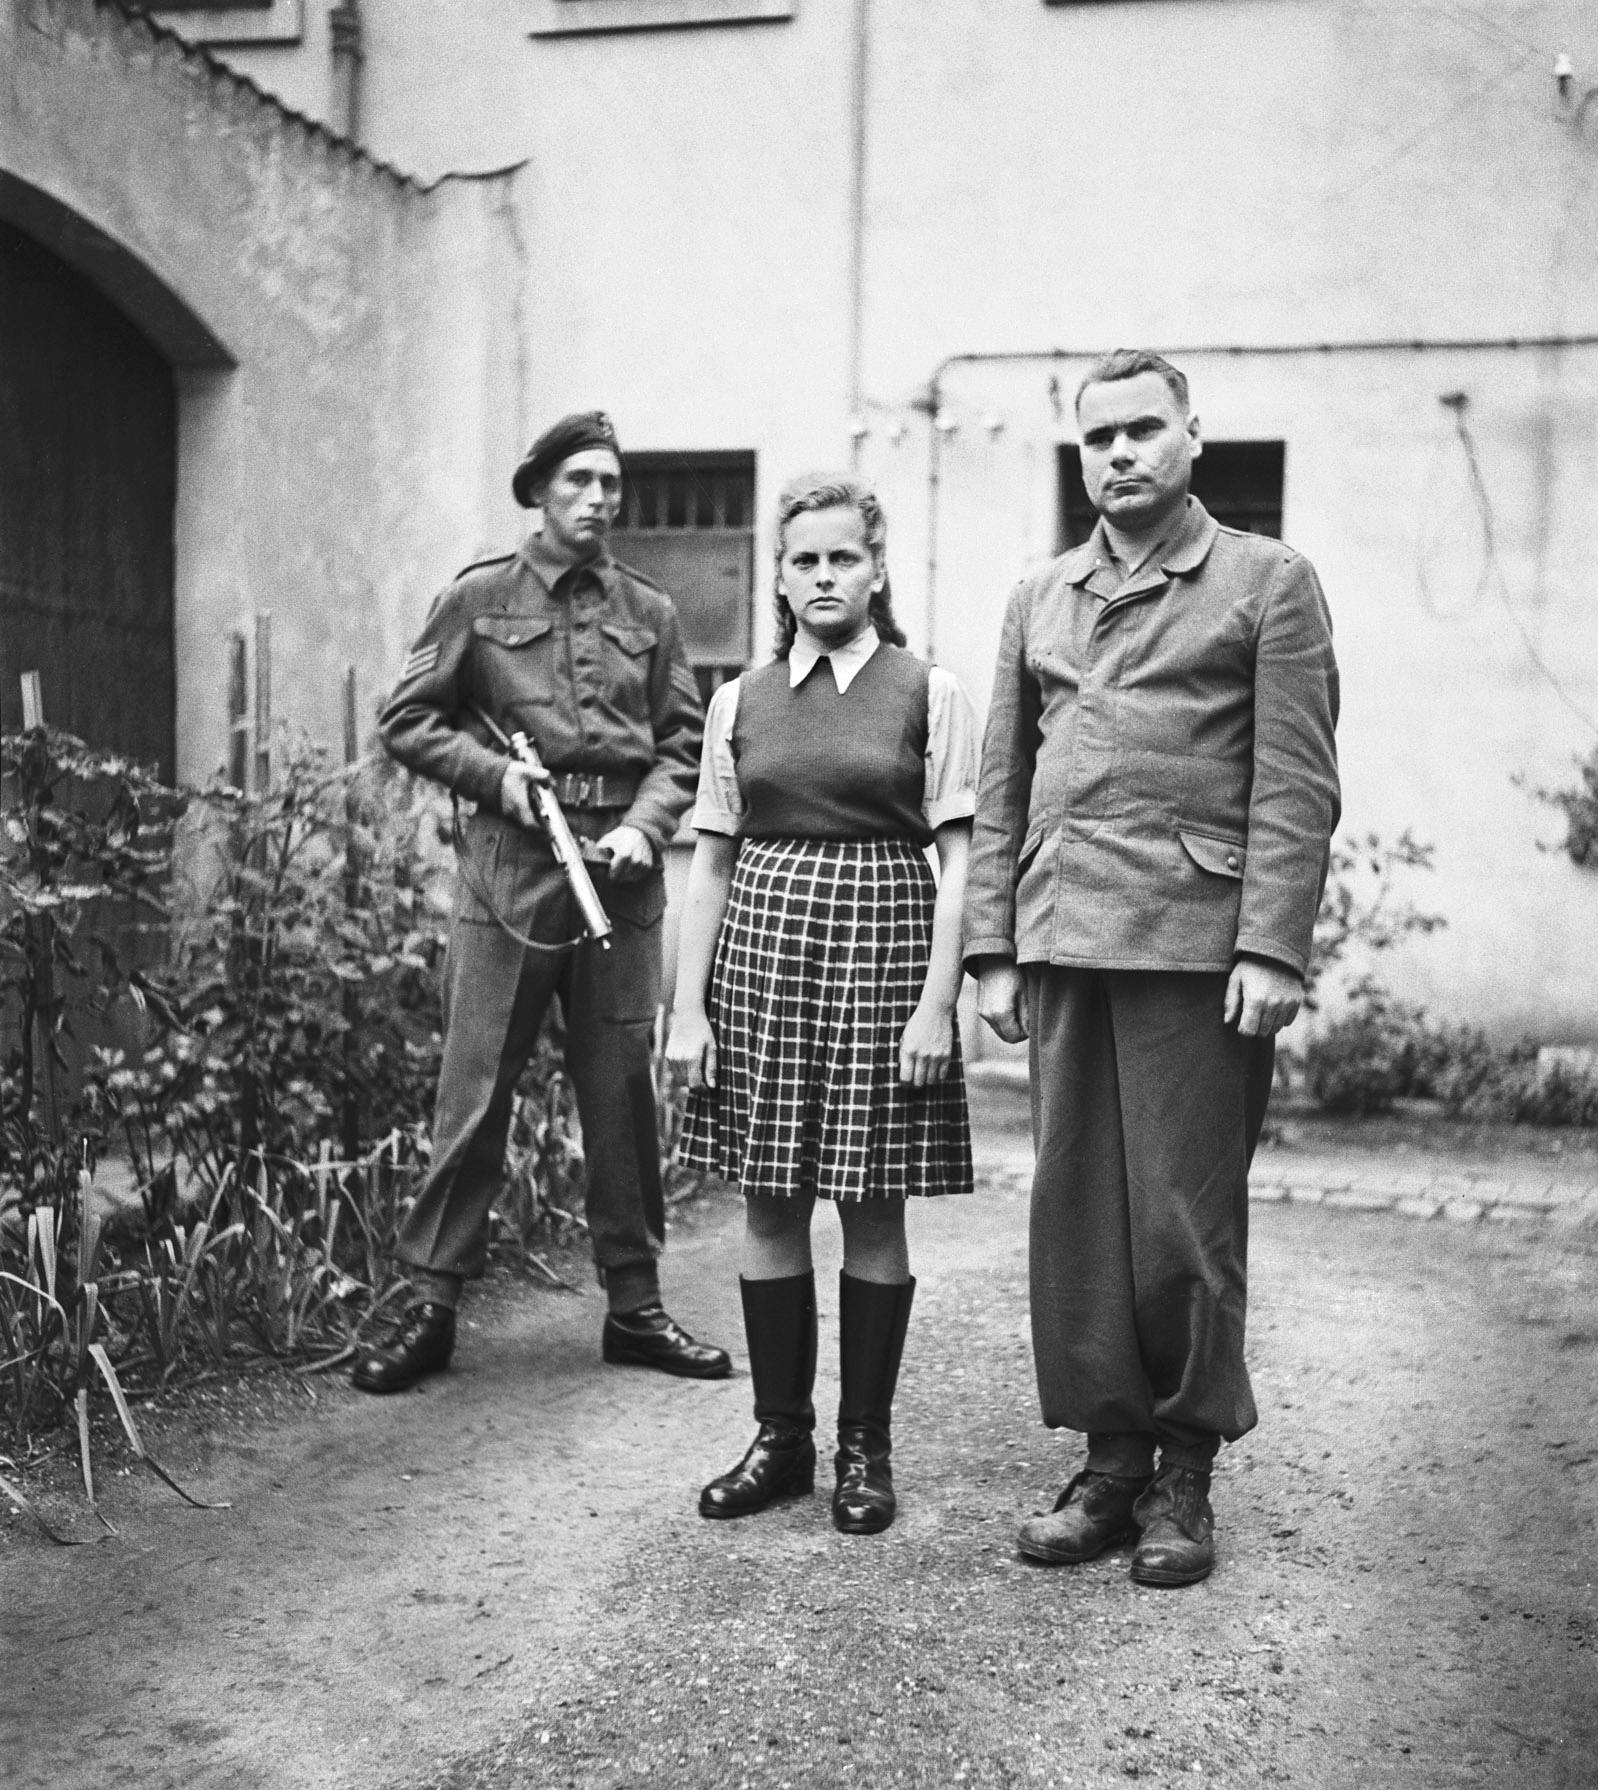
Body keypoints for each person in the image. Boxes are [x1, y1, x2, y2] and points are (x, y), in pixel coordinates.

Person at [963, 350, 1339, 1587]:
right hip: (1063, 936)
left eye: (1141, 430)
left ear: (1192, 437)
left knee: (1182, 1218)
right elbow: (1003, 788)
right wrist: (991, 951)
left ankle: (1184, 1473)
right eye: (1096, 438)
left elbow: (1294, 782)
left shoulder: (1264, 582)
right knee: (1076, 1217)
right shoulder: (1040, 595)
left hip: (1193, 944)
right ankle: (1110, 1463)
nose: (1117, 454)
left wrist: (1271, 943)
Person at [353, 410, 731, 1393]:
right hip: (512, 870)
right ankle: (430, 1305)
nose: (599, 498)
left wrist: (648, 827)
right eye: (579, 481)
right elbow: (407, 720)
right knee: (473, 1094)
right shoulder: (477, 599)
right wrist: (496, 779)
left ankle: (637, 1308)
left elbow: (682, 744)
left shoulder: (649, 611)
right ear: (539, 491)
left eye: (610, 482)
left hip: (619, 871)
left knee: (622, 1098)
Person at [667, 472, 977, 1535]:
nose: (823, 574)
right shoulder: (738, 701)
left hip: (882, 954)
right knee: (767, 1199)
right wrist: (686, 1011)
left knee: (870, 1203)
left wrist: (938, 1005)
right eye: (803, 560)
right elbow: (706, 867)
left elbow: (962, 860)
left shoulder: (925, 691)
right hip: (761, 958)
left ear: (877, 569)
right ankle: (780, 1439)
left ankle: (864, 1451)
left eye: (843, 556)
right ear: (781, 579)